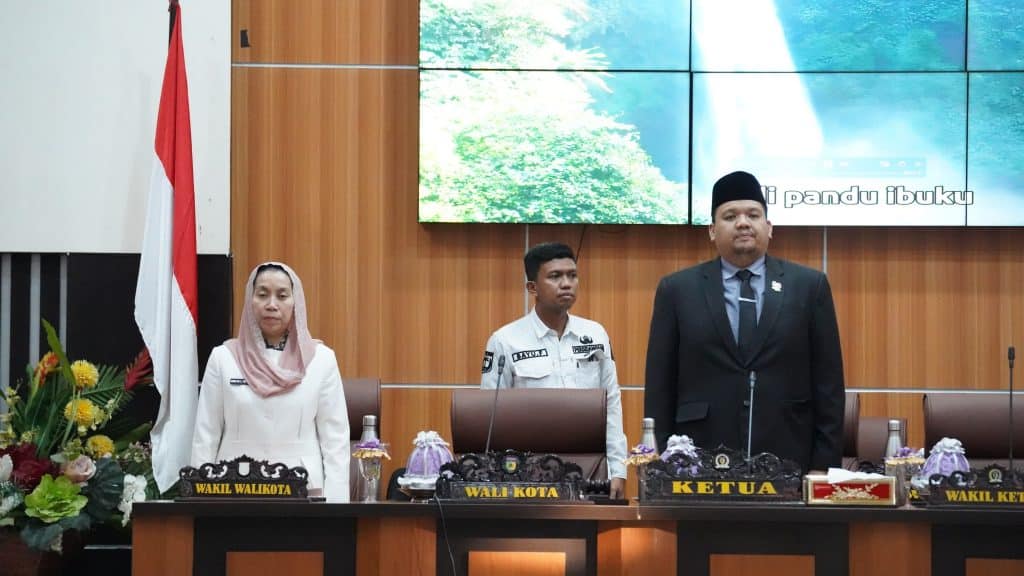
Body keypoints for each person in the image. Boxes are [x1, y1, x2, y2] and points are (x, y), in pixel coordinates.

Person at [644, 171, 844, 473]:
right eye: (729, 216)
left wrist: (823, 467)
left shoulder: (809, 286)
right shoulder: (676, 290)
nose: (742, 223)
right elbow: (660, 386)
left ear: (769, 227)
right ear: (712, 230)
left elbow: (829, 384)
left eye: (753, 214)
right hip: (699, 459)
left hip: (789, 455)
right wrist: (665, 463)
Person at [192, 262, 350, 501]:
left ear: (296, 302)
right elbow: (206, 435)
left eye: (282, 296)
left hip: (303, 491)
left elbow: (335, 440)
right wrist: (198, 499)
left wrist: (337, 507)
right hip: (233, 488)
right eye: (262, 294)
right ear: (250, 300)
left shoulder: (321, 360)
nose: (271, 305)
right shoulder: (223, 358)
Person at [481, 242, 628, 498]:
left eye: (572, 275)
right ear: (532, 288)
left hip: (591, 471)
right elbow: (490, 419)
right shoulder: (505, 340)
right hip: (527, 473)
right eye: (555, 276)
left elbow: (612, 405)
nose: (567, 283)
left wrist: (618, 470)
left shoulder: (595, 335)